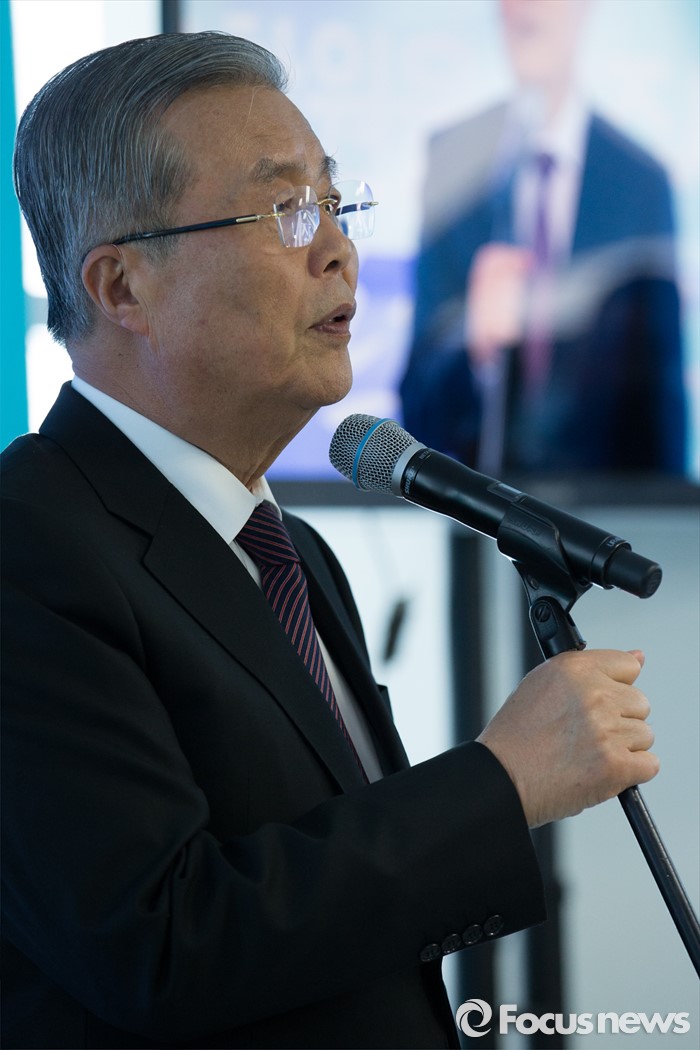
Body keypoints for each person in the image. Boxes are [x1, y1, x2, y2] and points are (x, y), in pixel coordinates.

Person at [1, 31, 659, 1050]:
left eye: (336, 201)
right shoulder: (28, 545)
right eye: (283, 210)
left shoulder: (291, 552)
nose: (338, 248)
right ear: (122, 288)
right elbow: (157, 944)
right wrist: (498, 783)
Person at [400, 0, 687, 475]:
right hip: (475, 505)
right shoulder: (453, 157)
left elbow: (662, 411)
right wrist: (473, 345)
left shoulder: (642, 181)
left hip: (601, 511)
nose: (525, 9)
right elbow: (417, 406)